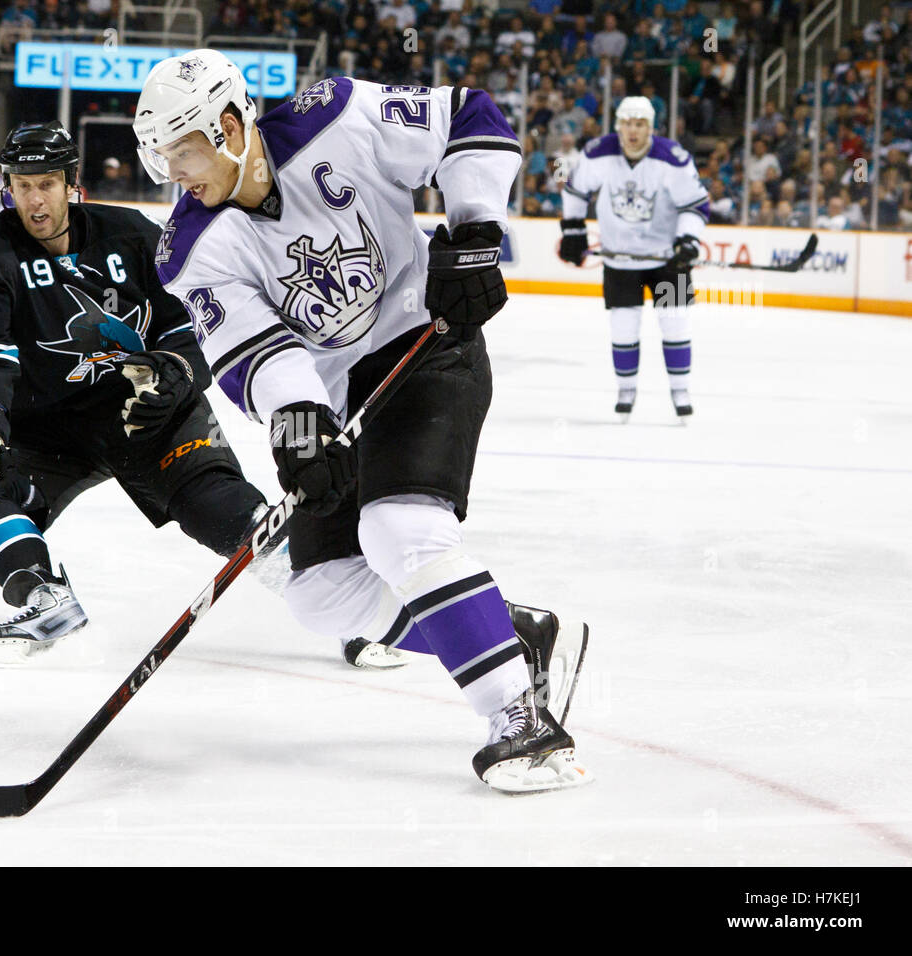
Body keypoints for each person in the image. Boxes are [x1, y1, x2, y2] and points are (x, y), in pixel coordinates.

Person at [134, 51, 591, 793]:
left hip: (426, 344)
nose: (172, 175)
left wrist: (475, 235)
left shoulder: (336, 115)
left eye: (180, 153)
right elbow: (254, 354)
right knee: (321, 594)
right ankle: (516, 634)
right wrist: (300, 425)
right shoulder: (190, 248)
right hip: (338, 394)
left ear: (225, 127)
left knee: (398, 527)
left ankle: (523, 723)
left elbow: (470, 117)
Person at [0, 120, 275, 667]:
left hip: (148, 416)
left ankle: (356, 610)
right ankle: (44, 598)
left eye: (45, 183)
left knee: (229, 515)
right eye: (22, 185)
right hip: (50, 433)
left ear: (71, 182)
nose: (34, 200)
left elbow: (191, 328)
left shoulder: (134, 234)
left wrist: (175, 373)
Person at [558, 96, 709, 420]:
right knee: (623, 328)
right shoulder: (598, 152)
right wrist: (573, 231)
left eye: (640, 124)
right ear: (618, 126)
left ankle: (680, 390)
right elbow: (574, 191)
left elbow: (695, 205)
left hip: (669, 262)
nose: (633, 131)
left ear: (650, 128)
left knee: (675, 324)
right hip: (620, 261)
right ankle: (626, 391)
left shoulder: (673, 158)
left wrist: (688, 240)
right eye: (627, 123)